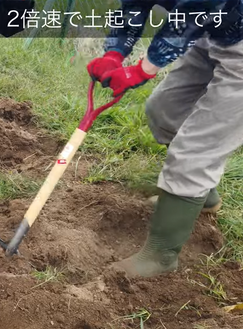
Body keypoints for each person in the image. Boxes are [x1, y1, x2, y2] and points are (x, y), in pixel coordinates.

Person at [87, 0, 243, 277]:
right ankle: (202, 196)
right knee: (164, 111)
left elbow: (196, 11)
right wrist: (114, 53)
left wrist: (143, 69)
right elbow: (134, 5)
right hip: (213, 31)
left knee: (195, 150)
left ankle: (161, 255)